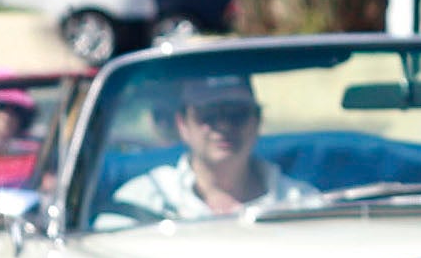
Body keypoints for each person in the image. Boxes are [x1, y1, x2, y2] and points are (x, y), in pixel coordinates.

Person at [102, 70, 300, 221]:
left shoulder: (300, 202)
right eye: (209, 114)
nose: (223, 126)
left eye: (236, 114)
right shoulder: (142, 201)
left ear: (257, 120)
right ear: (183, 124)